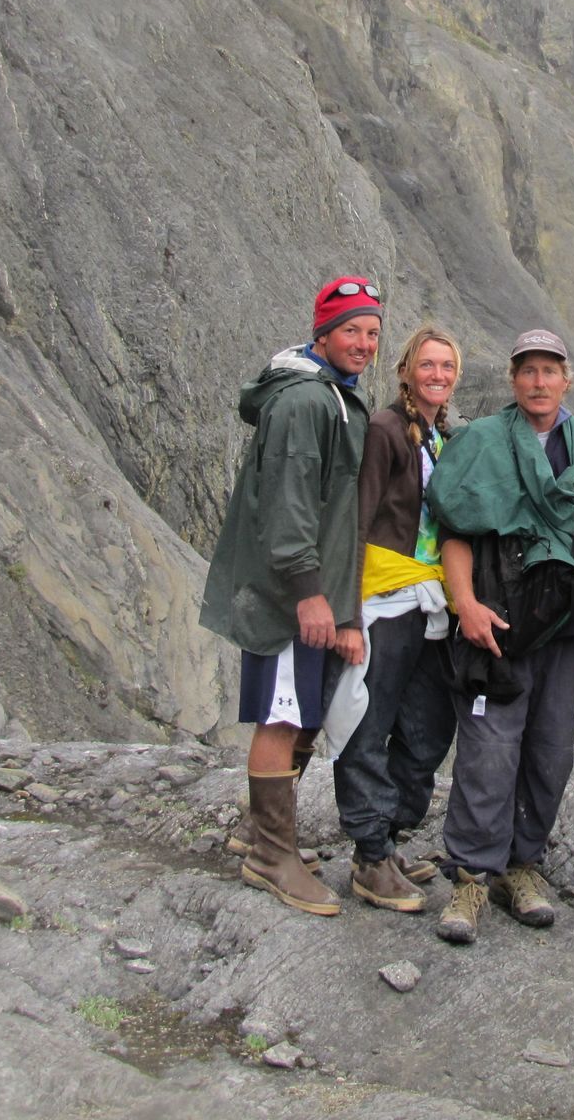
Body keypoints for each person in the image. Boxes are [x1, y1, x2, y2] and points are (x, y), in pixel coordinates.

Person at [423, 328, 574, 945]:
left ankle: (520, 865)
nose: (538, 382)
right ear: (513, 379)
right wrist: (467, 605)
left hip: (561, 627)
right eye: (527, 371)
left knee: (551, 748)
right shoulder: (480, 442)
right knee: (488, 746)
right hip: (495, 618)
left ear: (567, 379)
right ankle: (472, 875)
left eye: (549, 371)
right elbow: (454, 529)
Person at [199, 277, 382, 916]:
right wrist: (308, 593)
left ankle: (260, 832)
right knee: (281, 715)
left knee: (300, 711)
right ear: (322, 333)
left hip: (312, 591)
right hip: (287, 597)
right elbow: (290, 505)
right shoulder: (307, 402)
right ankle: (270, 856)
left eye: (372, 333)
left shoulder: (326, 394)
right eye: (351, 330)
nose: (363, 343)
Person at [326, 324, 466, 913]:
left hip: (427, 602)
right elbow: (355, 520)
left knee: (428, 728)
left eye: (447, 368)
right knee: (369, 725)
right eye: (427, 365)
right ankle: (370, 854)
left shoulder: (440, 436)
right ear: (406, 371)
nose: (437, 375)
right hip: (382, 602)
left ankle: (390, 834)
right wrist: (346, 616)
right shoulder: (385, 429)